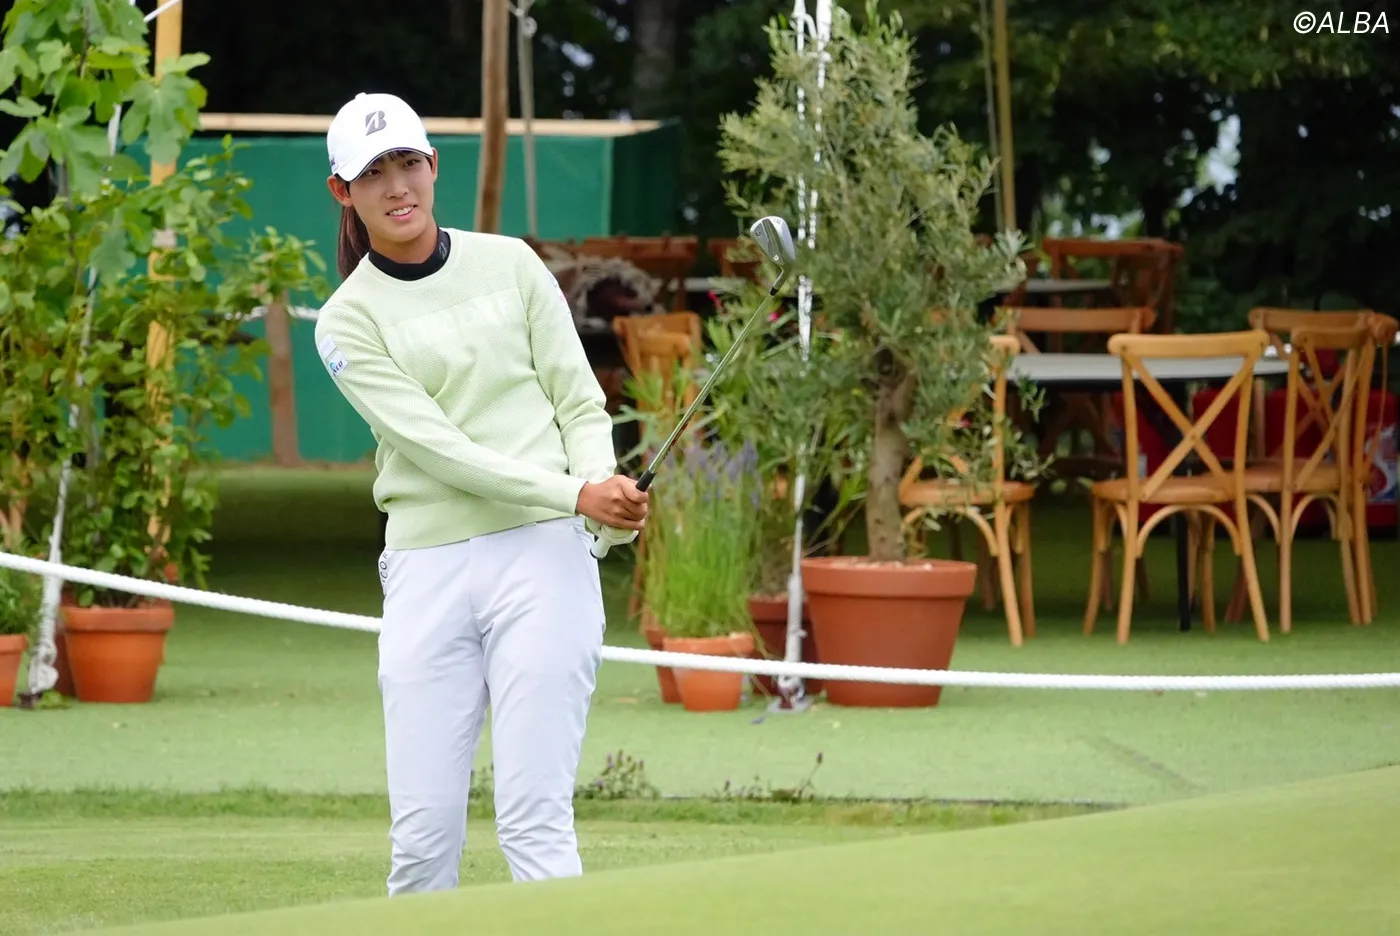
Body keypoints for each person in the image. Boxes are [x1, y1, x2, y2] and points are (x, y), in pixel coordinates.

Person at [313, 92, 649, 896]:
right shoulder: (344, 323)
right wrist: (578, 494)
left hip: (545, 559)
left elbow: (579, 404)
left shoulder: (511, 264)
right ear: (342, 191)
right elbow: (443, 452)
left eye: (407, 163)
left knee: (536, 822)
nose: (396, 186)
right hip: (428, 569)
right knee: (423, 840)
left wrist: (602, 511)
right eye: (373, 173)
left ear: (434, 166)